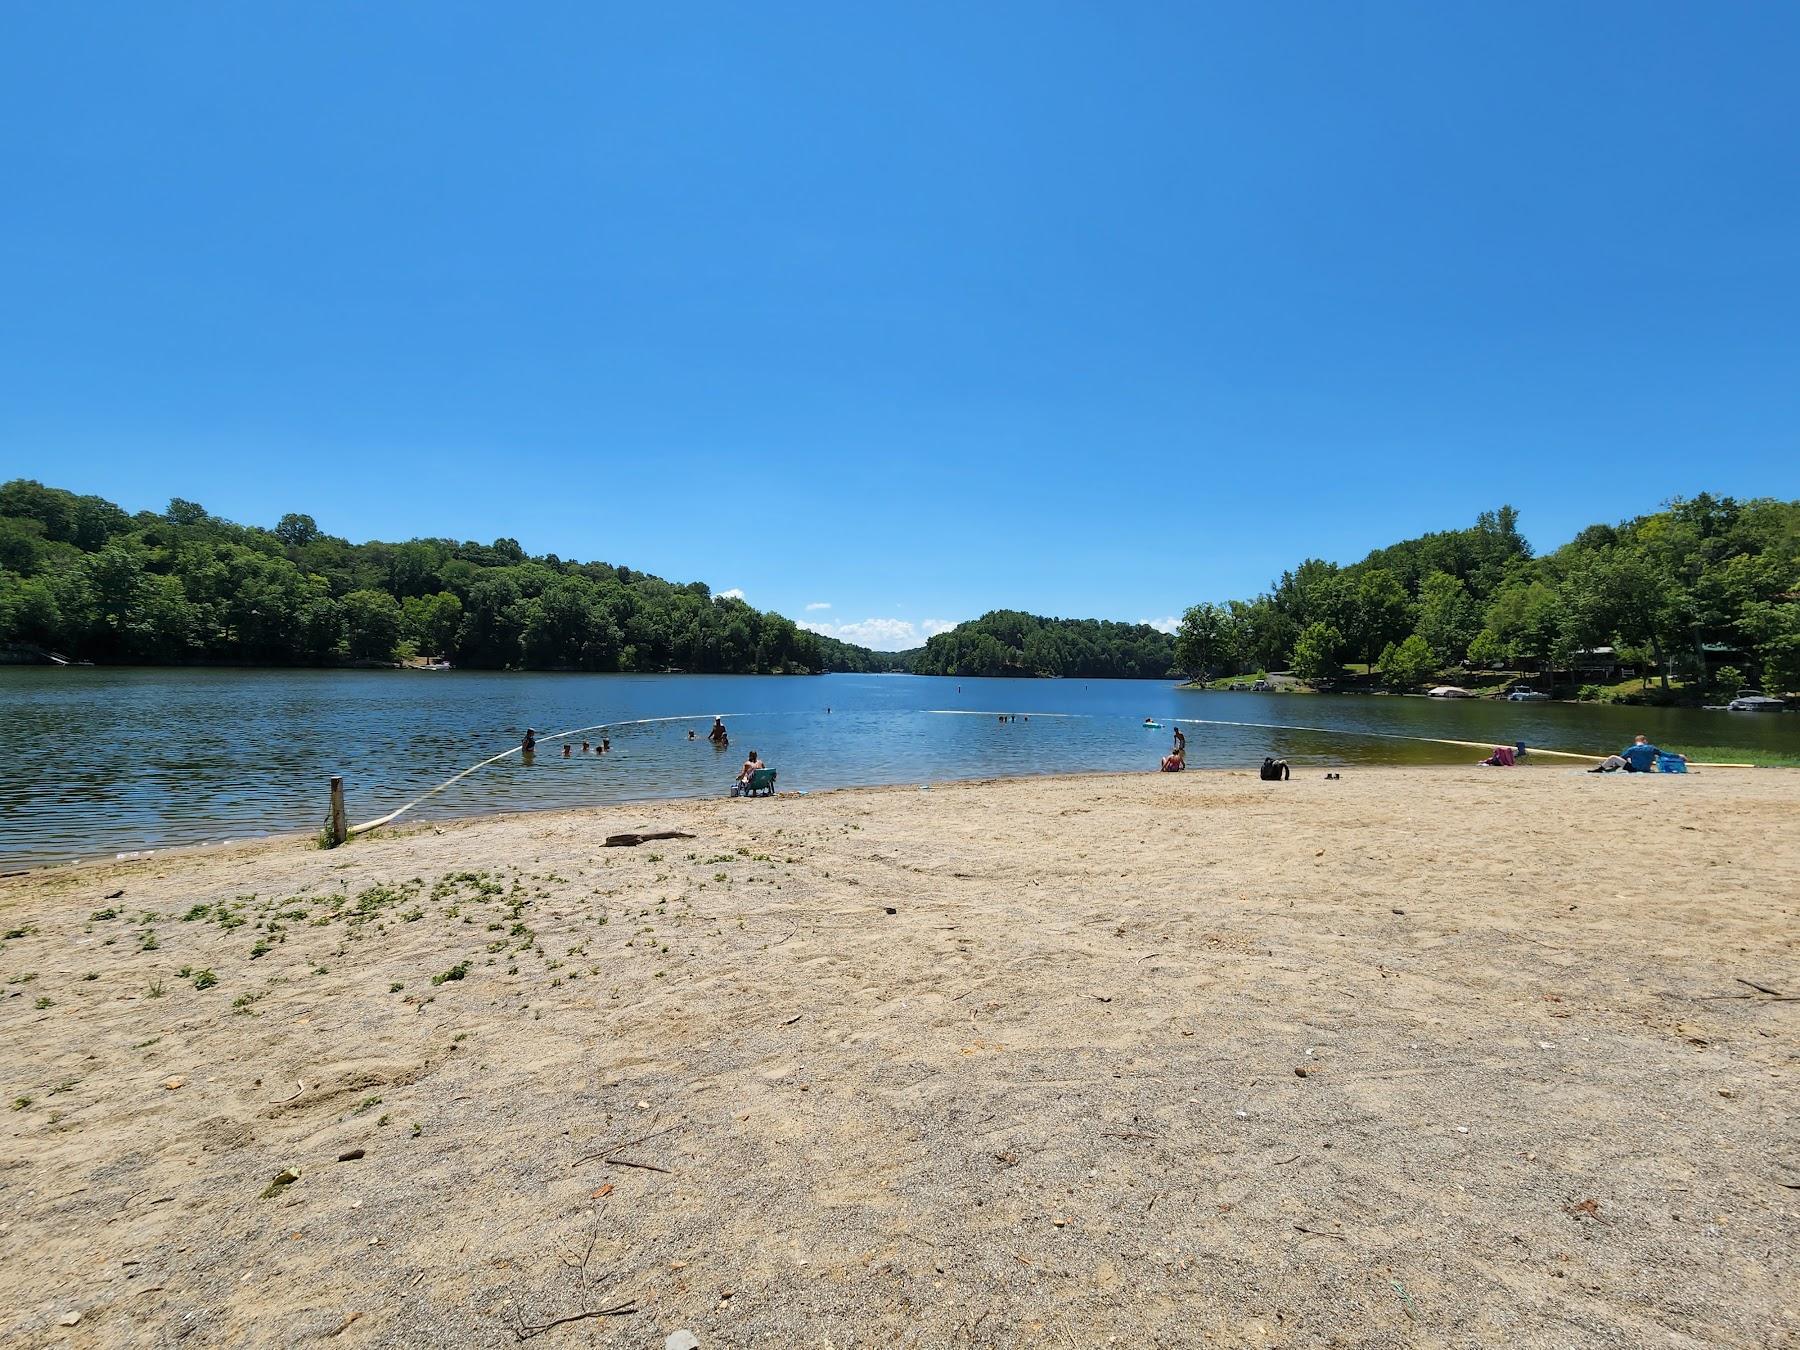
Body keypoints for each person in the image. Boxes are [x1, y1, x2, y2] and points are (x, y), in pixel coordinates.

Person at [1590, 734, 1682, 774]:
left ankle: (1600, 769)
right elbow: (1666, 755)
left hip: (1634, 769)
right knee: (1628, 758)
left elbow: (1621, 758)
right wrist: (1679, 756)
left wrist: (1610, 765)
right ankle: (1609, 768)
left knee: (1613, 757)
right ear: (1645, 741)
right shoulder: (1652, 748)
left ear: (1636, 742)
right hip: (1646, 769)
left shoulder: (1631, 749)